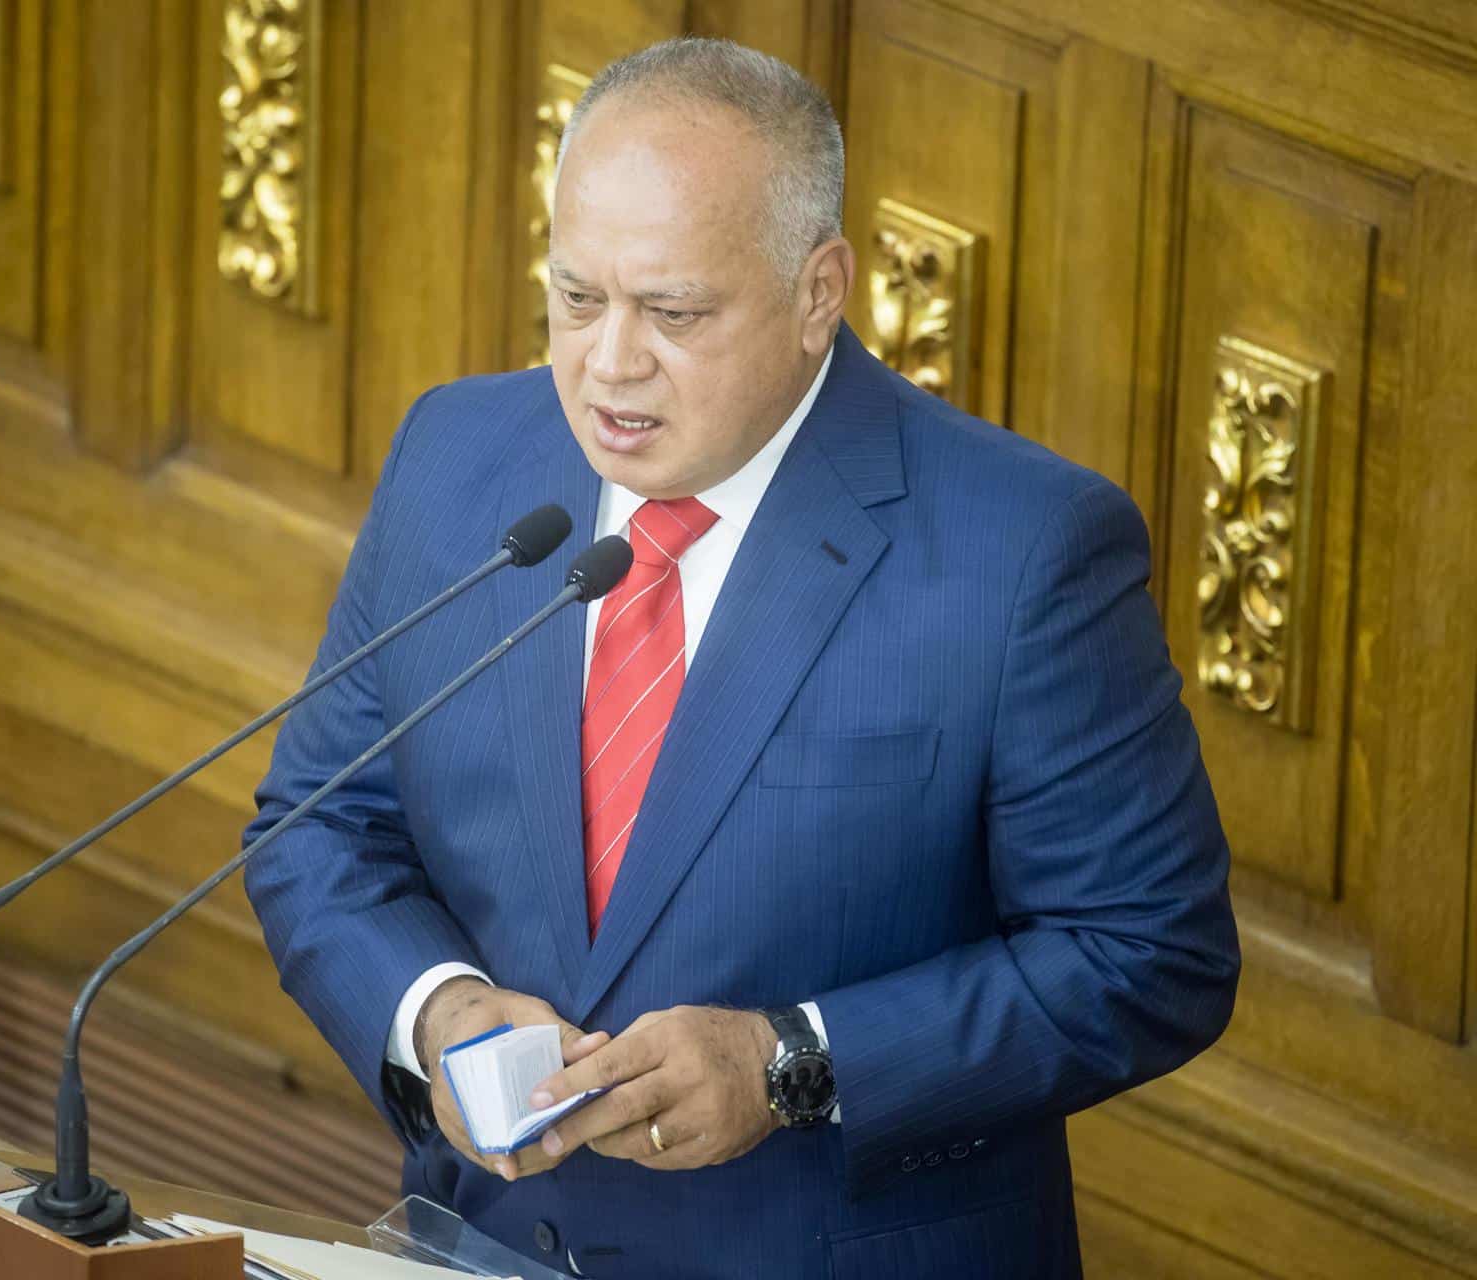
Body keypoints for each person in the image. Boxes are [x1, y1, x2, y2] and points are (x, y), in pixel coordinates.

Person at [244, 36, 1238, 1279]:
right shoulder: (457, 457)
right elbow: (317, 827)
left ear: (819, 291)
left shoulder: (1025, 551)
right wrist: (435, 1010)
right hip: (484, 1245)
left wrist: (794, 1062)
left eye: (674, 312)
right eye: (575, 297)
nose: (610, 363)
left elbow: (1150, 954)